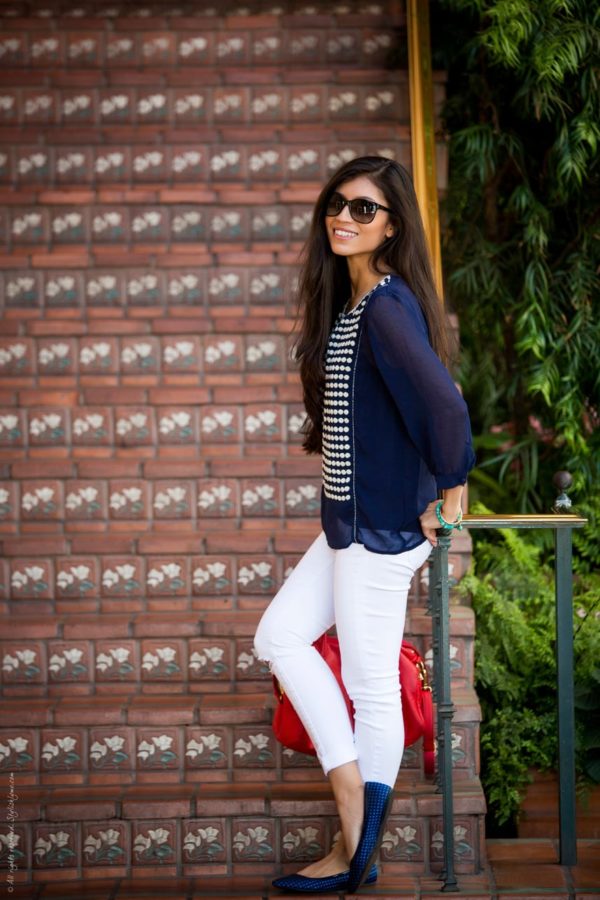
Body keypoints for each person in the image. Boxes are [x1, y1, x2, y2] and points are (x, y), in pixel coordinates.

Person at [254, 155, 475, 894]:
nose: (344, 218)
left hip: (381, 533)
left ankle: (359, 845)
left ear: (392, 225)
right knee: (280, 634)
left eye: (364, 209)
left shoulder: (384, 304)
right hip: (348, 525)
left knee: (372, 683)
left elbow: (442, 403)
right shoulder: (352, 305)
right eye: (337, 204)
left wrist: (454, 489)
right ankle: (354, 806)